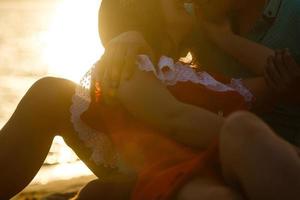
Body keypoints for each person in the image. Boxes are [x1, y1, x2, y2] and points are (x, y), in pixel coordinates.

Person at [0, 1, 298, 200]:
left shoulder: (202, 77)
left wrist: (223, 39)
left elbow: (277, 76)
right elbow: (173, 117)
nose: (188, 4)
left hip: (236, 160)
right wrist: (126, 36)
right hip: (174, 168)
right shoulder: (142, 63)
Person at [99, 0, 300, 146]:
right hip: (229, 161)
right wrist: (127, 35)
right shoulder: (197, 15)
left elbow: (282, 76)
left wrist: (224, 39)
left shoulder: (293, 13)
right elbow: (134, 14)